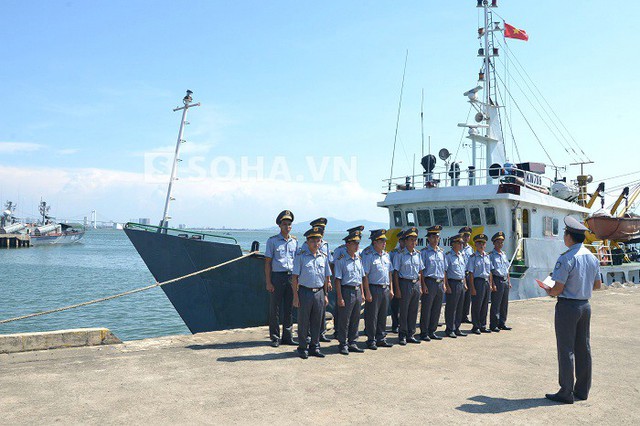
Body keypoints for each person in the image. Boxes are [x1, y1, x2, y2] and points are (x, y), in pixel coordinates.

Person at [545, 216, 601, 404]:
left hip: (568, 306)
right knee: (583, 347)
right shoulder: (592, 257)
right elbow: (598, 285)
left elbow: (558, 289)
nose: (564, 237)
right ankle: (582, 390)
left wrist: (549, 291)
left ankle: (566, 391)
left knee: (566, 348)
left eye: (564, 234)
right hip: (585, 305)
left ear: (569, 237)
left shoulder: (566, 257)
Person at [292, 226, 332, 359]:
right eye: (313, 241)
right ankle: (302, 347)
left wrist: (325, 295)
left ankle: (315, 346)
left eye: (318, 241)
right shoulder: (301, 256)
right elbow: (295, 277)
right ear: (308, 242)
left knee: (317, 321)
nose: (316, 244)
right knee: (303, 321)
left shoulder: (323, 257)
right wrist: (295, 297)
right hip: (305, 292)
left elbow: (327, 277)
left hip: (319, 292)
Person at [264, 210, 298, 347]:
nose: (287, 227)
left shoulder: (294, 242)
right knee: (275, 308)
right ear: (279, 226)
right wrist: (268, 282)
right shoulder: (272, 241)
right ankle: (275, 337)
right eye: (284, 224)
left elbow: (297, 262)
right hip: (277, 277)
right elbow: (267, 262)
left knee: (289, 309)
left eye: (289, 224)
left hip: (290, 277)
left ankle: (287, 337)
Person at [300, 217, 333, 342]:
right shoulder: (305, 246)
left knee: (321, 309)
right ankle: (308, 335)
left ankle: (321, 332)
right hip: (308, 282)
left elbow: (327, 263)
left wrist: (328, 280)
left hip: (321, 281)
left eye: (323, 229)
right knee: (308, 313)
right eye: (320, 228)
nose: (322, 231)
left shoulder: (325, 244)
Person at [334, 230, 366, 355]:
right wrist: (340, 297)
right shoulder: (341, 260)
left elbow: (361, 277)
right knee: (344, 319)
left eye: (358, 243)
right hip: (346, 291)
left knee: (355, 318)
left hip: (357, 290)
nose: (357, 246)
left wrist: (362, 293)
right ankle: (343, 343)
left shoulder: (359, 258)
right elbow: (338, 280)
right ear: (347, 244)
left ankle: (353, 342)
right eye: (354, 243)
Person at [362, 229, 394, 350]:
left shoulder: (386, 255)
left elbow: (389, 272)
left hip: (385, 288)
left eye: (385, 241)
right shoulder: (368, 255)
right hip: (373, 287)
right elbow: (365, 275)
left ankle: (381, 338)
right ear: (375, 242)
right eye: (381, 241)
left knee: (383, 315)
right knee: (372, 316)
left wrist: (390, 288)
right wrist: (367, 292)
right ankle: (371, 339)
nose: (384, 243)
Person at [392, 227, 424, 345]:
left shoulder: (418, 254)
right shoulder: (399, 255)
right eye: (411, 239)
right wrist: (397, 289)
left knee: (413, 310)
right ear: (405, 241)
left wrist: (420, 286)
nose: (413, 242)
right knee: (404, 311)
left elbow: (420, 272)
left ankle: (411, 334)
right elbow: (395, 272)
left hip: (415, 283)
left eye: (415, 240)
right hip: (404, 283)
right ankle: (403, 335)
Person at [419, 225, 446, 341]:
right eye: (433, 237)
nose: (435, 239)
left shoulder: (441, 252)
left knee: (437, 308)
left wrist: (444, 283)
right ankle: (424, 332)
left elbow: (443, 269)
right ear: (428, 239)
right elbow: (421, 271)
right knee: (427, 308)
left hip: (439, 282)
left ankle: (432, 330)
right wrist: (423, 285)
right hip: (429, 282)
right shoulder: (424, 253)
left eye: (437, 237)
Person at [466, 233, 494, 335]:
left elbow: (490, 271)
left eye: (483, 243)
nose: (481, 245)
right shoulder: (472, 257)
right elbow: (471, 273)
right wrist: (472, 288)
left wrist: (490, 284)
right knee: (476, 305)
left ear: (485, 245)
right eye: (479, 243)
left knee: (485, 305)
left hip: (486, 282)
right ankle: (476, 326)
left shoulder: (487, 256)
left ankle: (483, 325)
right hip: (477, 282)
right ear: (475, 245)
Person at [444, 234, 468, 338]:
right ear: (453, 244)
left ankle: (457, 327)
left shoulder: (461, 256)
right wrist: (447, 286)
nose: (461, 245)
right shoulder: (448, 256)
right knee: (451, 307)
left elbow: (463, 271)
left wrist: (465, 283)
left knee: (459, 307)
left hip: (461, 283)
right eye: (459, 243)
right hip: (452, 283)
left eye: (461, 243)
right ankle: (450, 329)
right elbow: (444, 271)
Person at [489, 231, 512, 332]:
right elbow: (490, 271)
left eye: (502, 242)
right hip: (497, 280)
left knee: (504, 303)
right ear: (494, 243)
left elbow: (506, 269)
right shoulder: (491, 255)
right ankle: (494, 324)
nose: (500, 244)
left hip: (505, 280)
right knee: (496, 303)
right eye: (498, 242)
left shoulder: (503, 254)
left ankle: (502, 322)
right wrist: (492, 283)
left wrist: (509, 281)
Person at [388, 230, 406, 333]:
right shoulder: (394, 253)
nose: (403, 242)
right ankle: (395, 324)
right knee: (395, 304)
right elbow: (391, 269)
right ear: (399, 241)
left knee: (405, 304)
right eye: (402, 240)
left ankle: (403, 324)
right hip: (396, 280)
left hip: (406, 280)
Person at [459, 226, 474, 324]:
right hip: (460, 274)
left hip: (468, 274)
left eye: (468, 236)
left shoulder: (470, 249)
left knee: (467, 297)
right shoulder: (458, 247)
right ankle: (458, 315)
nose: (466, 238)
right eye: (464, 235)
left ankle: (465, 315)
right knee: (460, 297)